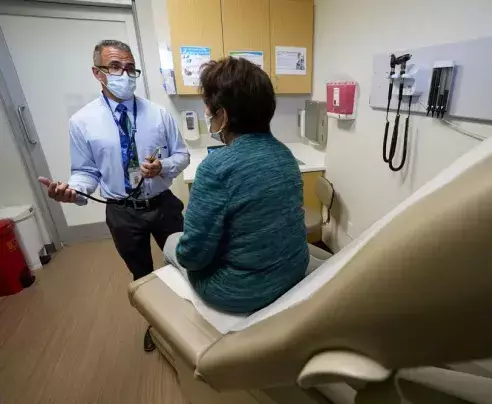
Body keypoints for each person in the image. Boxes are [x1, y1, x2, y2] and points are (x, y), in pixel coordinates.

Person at [40, 39, 190, 351]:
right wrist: (73, 191)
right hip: (122, 212)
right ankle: (158, 324)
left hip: (163, 204)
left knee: (184, 261)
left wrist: (163, 165)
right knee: (142, 273)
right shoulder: (82, 122)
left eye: (130, 67)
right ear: (98, 73)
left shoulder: (159, 114)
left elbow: (182, 156)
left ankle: (190, 322)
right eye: (115, 66)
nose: (125, 73)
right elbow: (85, 172)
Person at [164, 57, 309, 313]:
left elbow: (193, 257)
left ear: (223, 115)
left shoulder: (216, 168)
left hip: (242, 291)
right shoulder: (284, 153)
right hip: (294, 270)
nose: (206, 115)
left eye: (208, 109)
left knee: (172, 241)